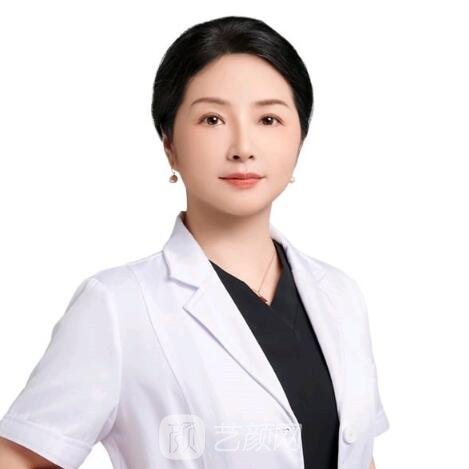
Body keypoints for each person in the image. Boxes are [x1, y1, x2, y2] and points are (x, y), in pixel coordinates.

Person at [0, 15, 389, 469]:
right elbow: (19, 457)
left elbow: (359, 454)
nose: (243, 147)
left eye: (269, 118)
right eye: (212, 119)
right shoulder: (117, 307)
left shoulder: (340, 295)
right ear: (169, 144)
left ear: (299, 138)